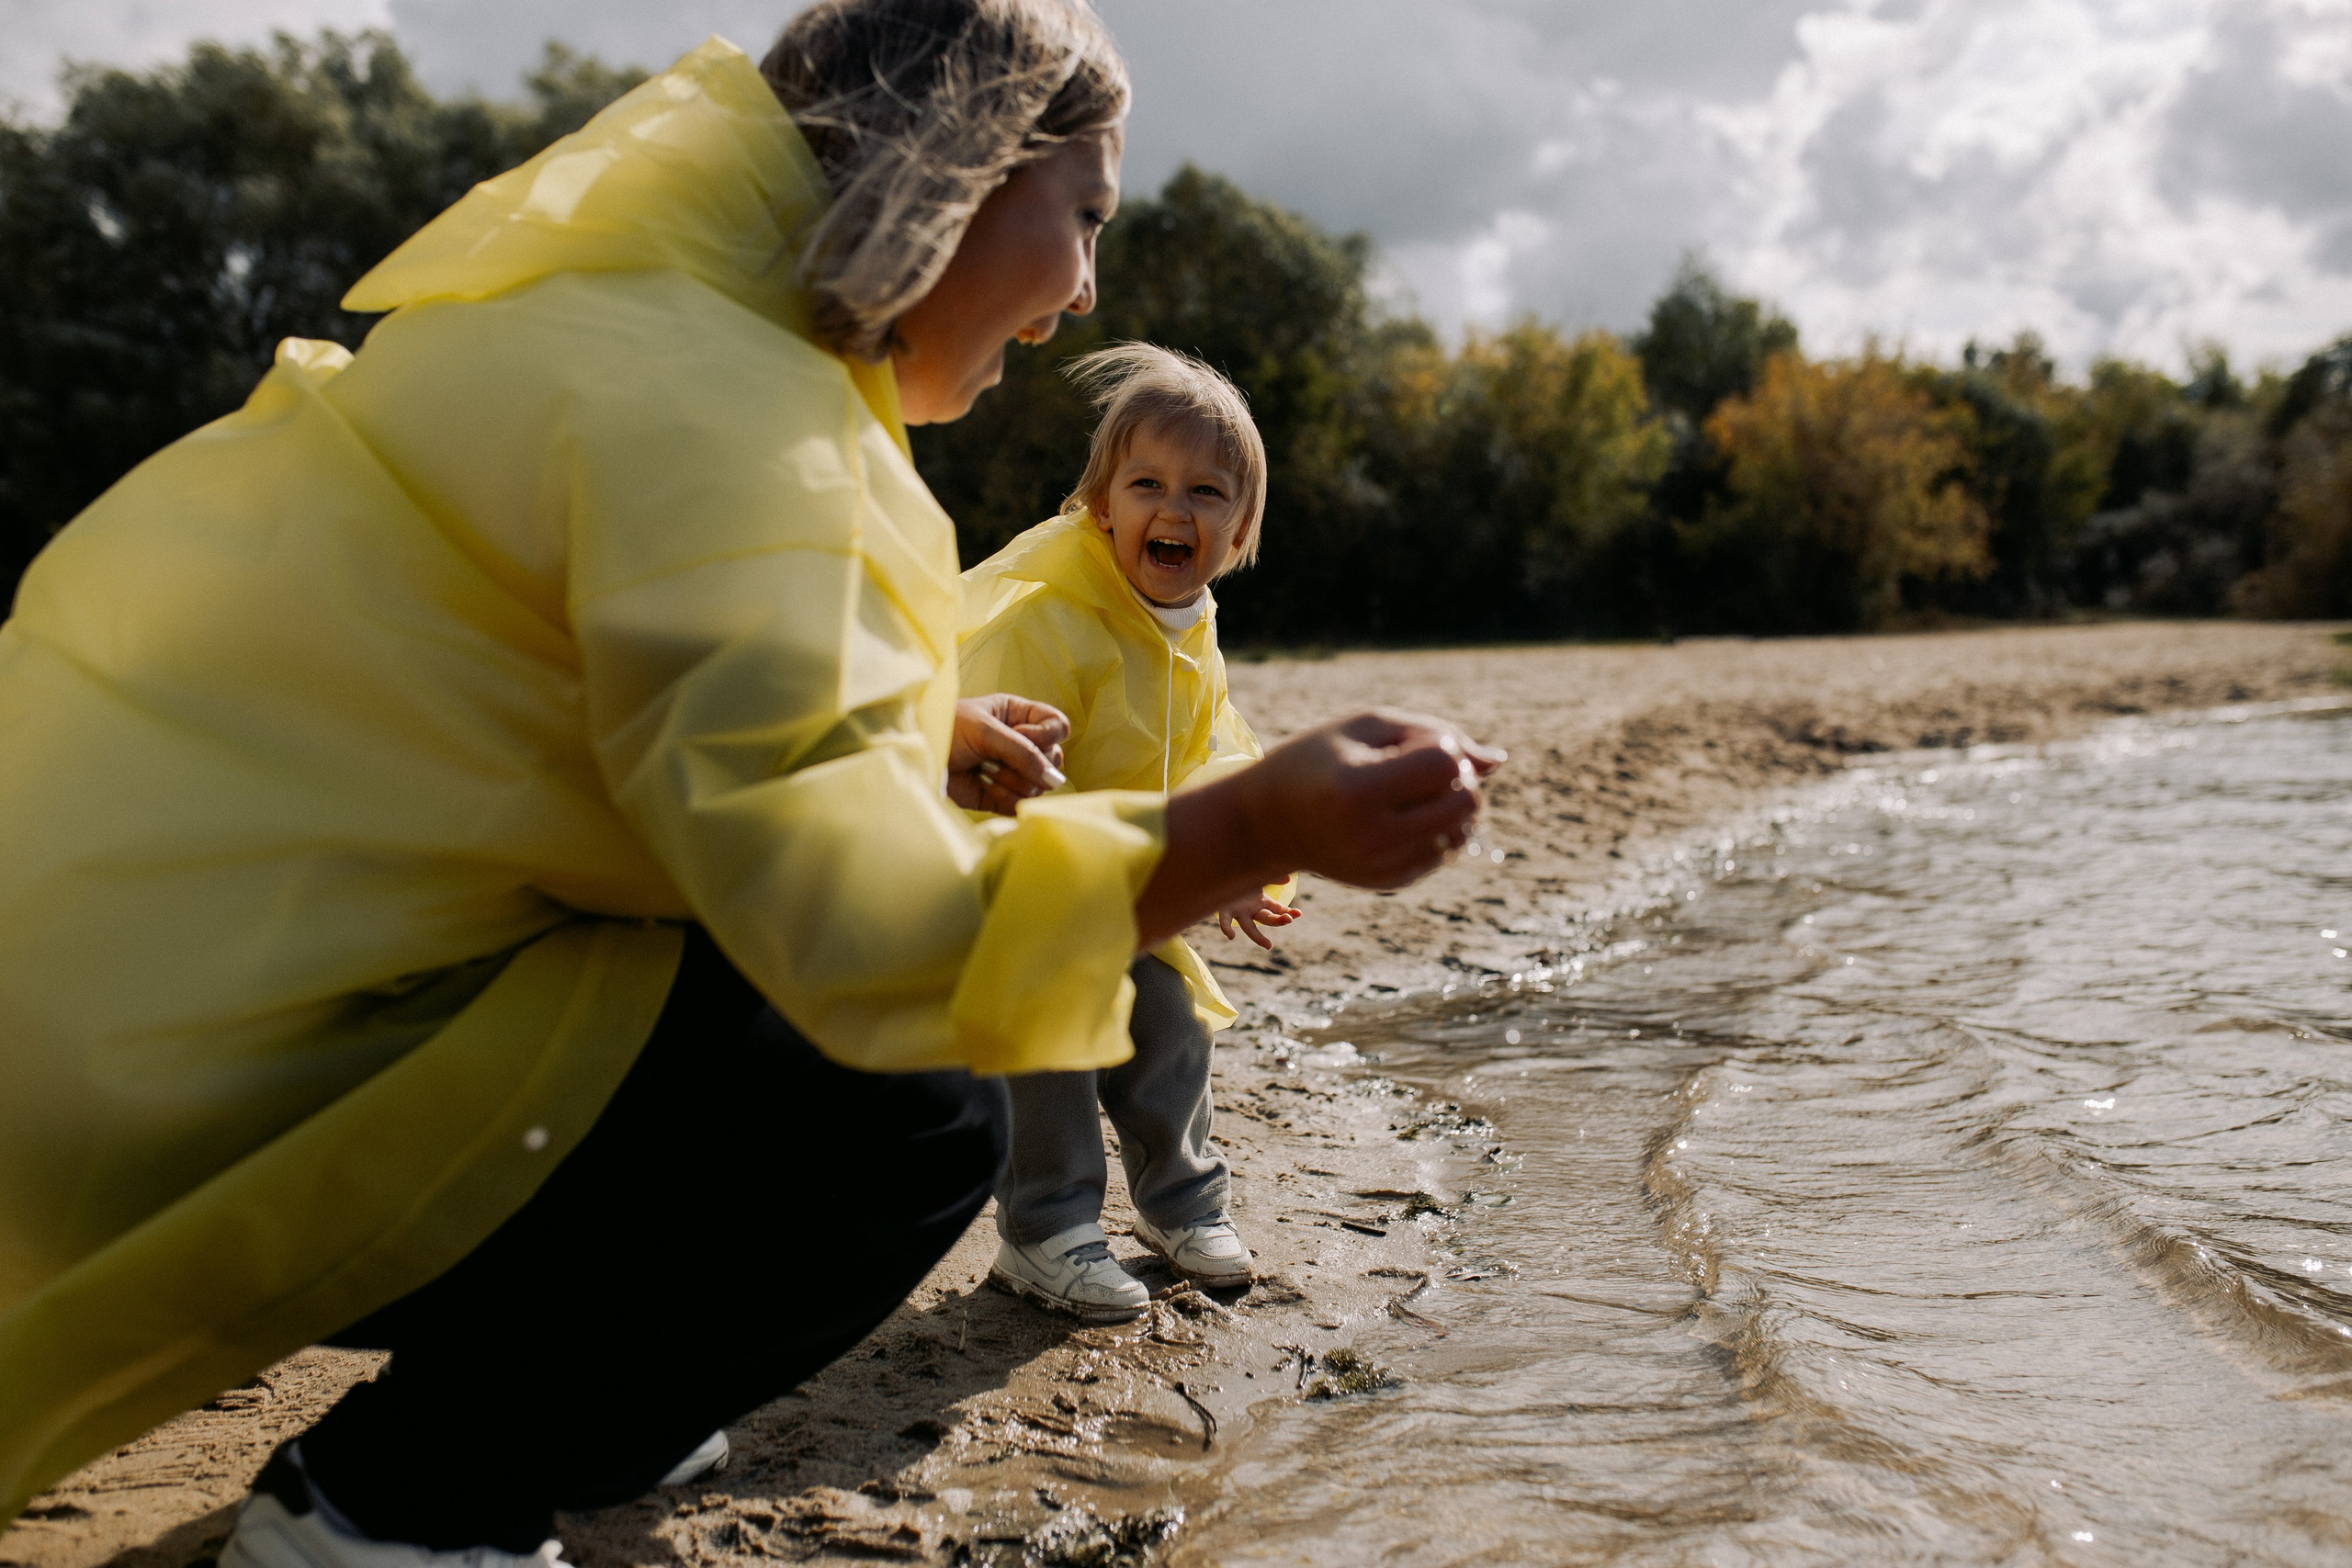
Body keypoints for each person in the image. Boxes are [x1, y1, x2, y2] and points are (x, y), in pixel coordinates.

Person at [0, 3, 1501, 1563]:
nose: (1083, 292)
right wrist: (1255, 825)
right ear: (963, 175)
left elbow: (539, 699)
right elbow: (878, 950)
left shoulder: (625, 306)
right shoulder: (739, 424)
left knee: (769, 1021)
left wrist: (910, 735)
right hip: (168, 1083)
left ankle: (602, 1394)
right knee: (908, 1111)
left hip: (118, 971)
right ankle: (393, 1509)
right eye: (1088, 215)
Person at [959, 344, 1294, 1321]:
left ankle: (1181, 1204)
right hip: (1008, 893)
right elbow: (991, 781)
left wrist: (1226, 862)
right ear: (1099, 504)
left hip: (1117, 886)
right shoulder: (1051, 619)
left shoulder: (1190, 622)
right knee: (1059, 1028)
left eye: (1206, 492)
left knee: (1169, 1021)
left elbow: (1212, 745)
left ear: (1240, 528)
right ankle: (1046, 1228)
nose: (1173, 510)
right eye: (1145, 484)